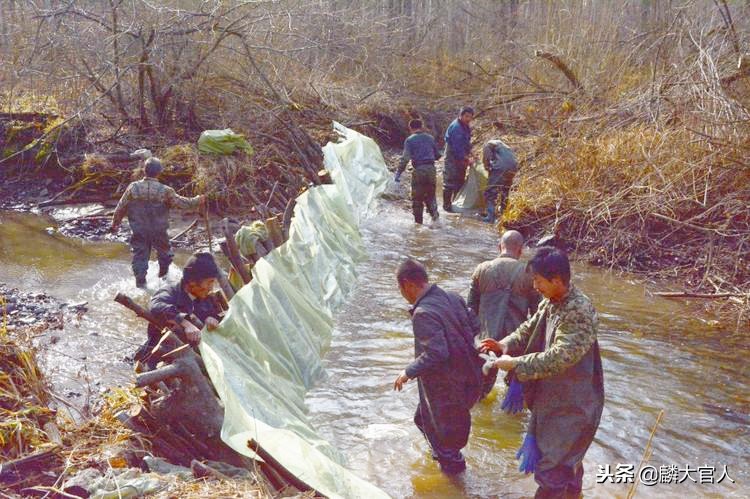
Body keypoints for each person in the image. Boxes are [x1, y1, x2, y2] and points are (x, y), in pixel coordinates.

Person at [480, 247, 604, 498]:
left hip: (574, 405)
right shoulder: (552, 301)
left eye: (538, 280)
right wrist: (505, 344)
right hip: (555, 399)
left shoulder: (578, 311)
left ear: (556, 280)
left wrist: (515, 364)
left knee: (552, 472)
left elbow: (560, 357)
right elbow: (529, 327)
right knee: (567, 465)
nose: (535, 286)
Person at [393, 259, 483, 474]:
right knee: (421, 419)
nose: (401, 293)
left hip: (446, 388)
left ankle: (456, 483)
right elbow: (475, 326)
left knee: (446, 444)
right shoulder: (453, 297)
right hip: (469, 378)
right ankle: (445, 458)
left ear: (407, 284)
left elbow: (436, 353)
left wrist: (407, 372)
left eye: (400, 288)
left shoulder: (423, 313)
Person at [111, 157, 205, 288]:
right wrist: (198, 200)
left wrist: (115, 224)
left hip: (139, 230)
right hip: (159, 231)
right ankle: (163, 280)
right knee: (165, 255)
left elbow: (120, 207)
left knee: (139, 256)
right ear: (159, 172)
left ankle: (140, 285)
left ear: (144, 171)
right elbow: (183, 203)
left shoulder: (133, 188)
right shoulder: (165, 191)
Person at [468, 230, 540, 399]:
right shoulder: (529, 275)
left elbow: (470, 309)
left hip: (486, 342)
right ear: (520, 250)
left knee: (479, 394)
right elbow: (538, 314)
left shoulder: (481, 269)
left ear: (499, 247)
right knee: (514, 396)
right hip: (515, 342)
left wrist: (473, 340)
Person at [135, 252, 223, 369]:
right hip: (158, 358)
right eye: (209, 282)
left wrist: (212, 318)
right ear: (192, 282)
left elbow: (216, 314)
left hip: (192, 357)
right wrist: (184, 322)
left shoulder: (206, 297)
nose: (211, 287)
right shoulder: (170, 291)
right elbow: (155, 306)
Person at [394, 119, 442, 224]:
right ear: (422, 126)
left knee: (417, 199)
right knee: (431, 196)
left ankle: (418, 225)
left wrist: (398, 173)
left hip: (419, 170)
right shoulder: (430, 138)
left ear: (410, 128)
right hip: (431, 170)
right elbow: (438, 155)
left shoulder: (410, 140)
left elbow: (405, 158)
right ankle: (436, 222)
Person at [442, 106, 475, 212]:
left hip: (461, 158)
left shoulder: (466, 127)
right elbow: (457, 148)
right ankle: (446, 207)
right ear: (460, 116)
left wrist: (471, 153)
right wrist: (466, 158)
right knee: (449, 182)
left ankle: (456, 205)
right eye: (466, 116)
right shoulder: (456, 127)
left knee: (460, 182)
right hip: (452, 157)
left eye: (470, 117)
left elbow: (466, 143)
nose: (468, 119)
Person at [481, 138, 519, 224]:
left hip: (502, 167)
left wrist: (487, 168)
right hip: (513, 167)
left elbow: (486, 161)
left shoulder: (487, 144)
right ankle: (503, 216)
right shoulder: (504, 146)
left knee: (489, 192)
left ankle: (490, 217)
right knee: (505, 191)